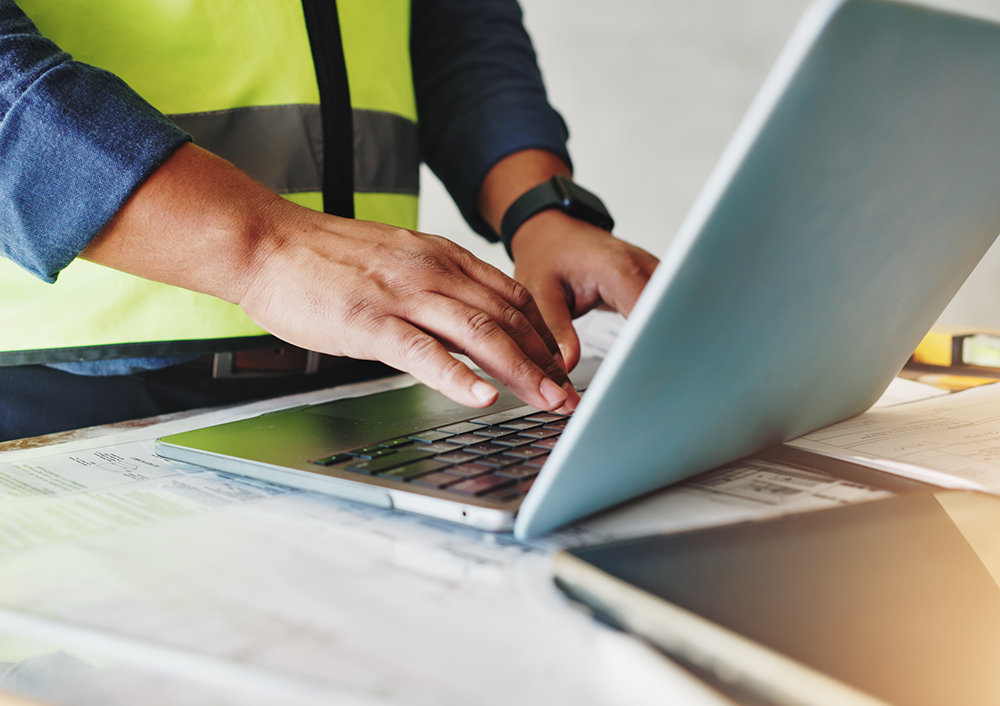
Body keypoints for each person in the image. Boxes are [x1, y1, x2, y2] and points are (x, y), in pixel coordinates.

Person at [0, 0, 658, 442]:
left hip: (372, 371)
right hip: (76, 387)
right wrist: (260, 250)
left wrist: (541, 208)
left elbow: (452, 22)